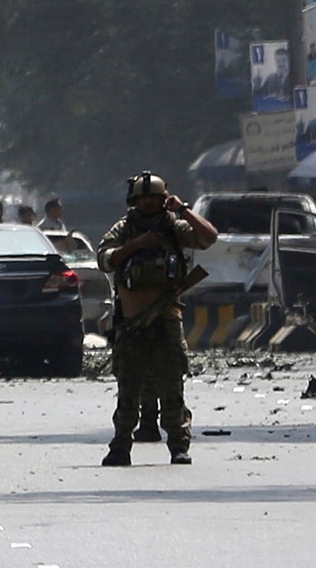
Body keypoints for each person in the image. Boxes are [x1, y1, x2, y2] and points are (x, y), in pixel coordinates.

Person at [96, 172, 217, 466]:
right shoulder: (124, 229)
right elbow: (105, 259)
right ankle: (121, 446)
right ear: (134, 201)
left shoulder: (174, 227)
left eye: (154, 198)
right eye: (143, 198)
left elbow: (209, 237)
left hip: (166, 318)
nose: (148, 203)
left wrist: (184, 210)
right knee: (129, 388)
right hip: (132, 321)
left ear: (164, 200)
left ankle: (178, 445)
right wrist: (136, 245)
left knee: (171, 386)